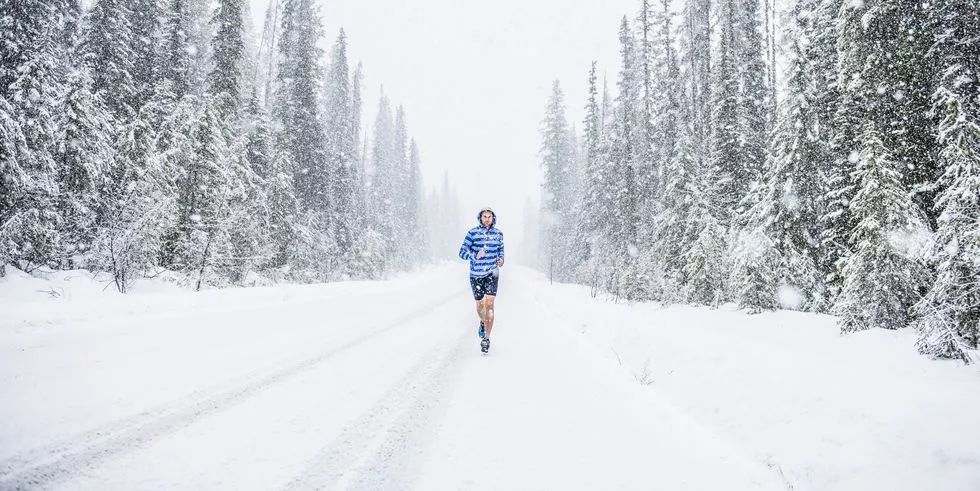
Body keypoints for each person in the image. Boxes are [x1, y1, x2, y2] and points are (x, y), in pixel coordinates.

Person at [458, 207, 505, 353]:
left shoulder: (498, 234)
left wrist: (501, 259)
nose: (487, 219)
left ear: (493, 218)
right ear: (480, 218)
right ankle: (483, 322)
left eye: (489, 216)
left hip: (492, 273)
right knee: (480, 305)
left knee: (490, 305)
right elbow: (462, 253)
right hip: (476, 274)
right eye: (484, 216)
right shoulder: (472, 233)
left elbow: (501, 250)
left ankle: (486, 339)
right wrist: (474, 256)